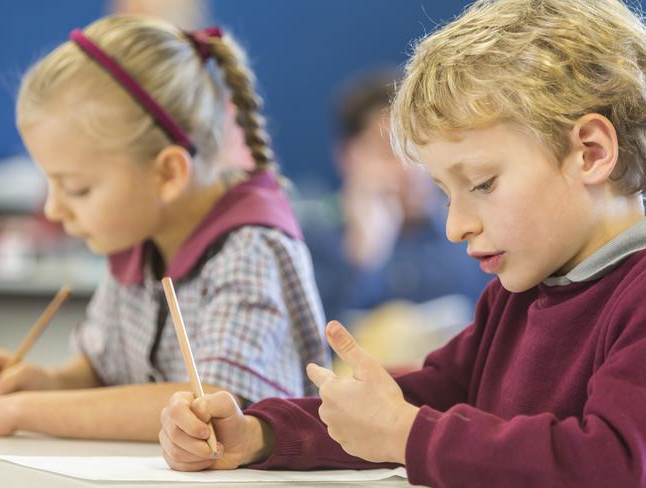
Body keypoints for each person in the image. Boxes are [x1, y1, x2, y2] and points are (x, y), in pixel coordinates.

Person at [157, 0, 646, 486]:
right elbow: (430, 397)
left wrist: (404, 433)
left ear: (590, 152)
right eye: (443, 193)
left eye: (482, 183)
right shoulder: (518, 294)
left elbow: (612, 462)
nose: (456, 227)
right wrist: (260, 433)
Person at [0, 15, 329, 441]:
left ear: (168, 173)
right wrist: (44, 383)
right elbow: (106, 372)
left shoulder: (250, 249)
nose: (53, 209)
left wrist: (24, 411)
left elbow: (210, 404)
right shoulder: (138, 236)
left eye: (76, 188)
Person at [303, 69, 490, 323]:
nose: (410, 169)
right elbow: (315, 339)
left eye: (416, 150)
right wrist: (365, 257)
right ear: (347, 157)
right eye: (389, 152)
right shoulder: (314, 242)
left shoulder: (469, 231)